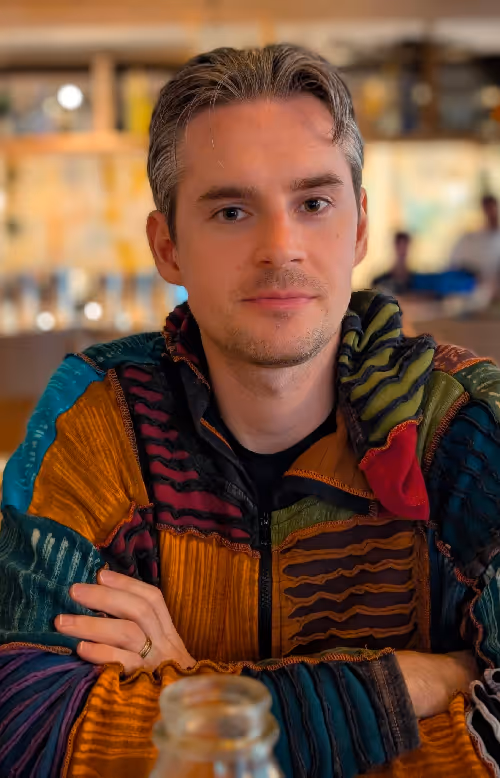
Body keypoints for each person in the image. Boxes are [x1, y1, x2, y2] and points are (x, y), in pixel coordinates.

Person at [1, 44, 500, 778]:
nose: (280, 247)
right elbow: (27, 731)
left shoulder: (465, 431)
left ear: (360, 228)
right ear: (168, 246)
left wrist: (203, 706)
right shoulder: (98, 421)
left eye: (314, 203)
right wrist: (410, 684)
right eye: (232, 210)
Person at [449, 194, 500, 305]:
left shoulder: (495, 239)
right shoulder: (471, 239)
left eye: (492, 208)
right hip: (480, 292)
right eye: (487, 209)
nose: (490, 213)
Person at [373, 231, 415, 295]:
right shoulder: (380, 282)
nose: (402, 252)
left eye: (405, 248)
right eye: (400, 247)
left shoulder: (416, 283)